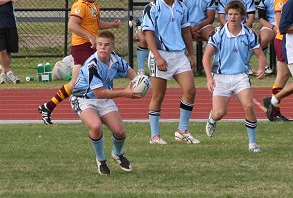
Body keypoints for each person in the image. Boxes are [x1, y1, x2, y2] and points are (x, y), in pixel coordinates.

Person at [38, 0, 121, 125]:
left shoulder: (94, 5)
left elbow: (96, 24)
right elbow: (72, 25)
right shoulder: (80, 5)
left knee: (74, 83)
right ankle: (100, 111)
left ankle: (48, 106)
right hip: (82, 46)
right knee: (99, 74)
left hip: (89, 45)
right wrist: (89, 36)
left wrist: (111, 25)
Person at [70, 31, 140, 176]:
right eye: (100, 44)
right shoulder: (92, 65)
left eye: (106, 45)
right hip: (83, 99)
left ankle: (117, 154)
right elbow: (99, 93)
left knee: (120, 132)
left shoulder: (115, 59)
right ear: (95, 46)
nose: (102, 48)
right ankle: (101, 160)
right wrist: (125, 93)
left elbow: (129, 71)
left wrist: (139, 82)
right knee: (95, 126)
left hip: (103, 98)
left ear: (113, 47)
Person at [202, 0, 266, 152]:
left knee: (249, 106)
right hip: (221, 77)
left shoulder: (249, 33)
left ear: (242, 16)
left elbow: (260, 55)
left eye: (236, 14)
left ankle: (252, 143)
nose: (232, 17)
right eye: (230, 14)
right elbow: (206, 57)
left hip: (241, 76)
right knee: (219, 113)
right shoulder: (218, 34)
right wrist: (209, 78)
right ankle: (212, 118)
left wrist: (261, 68)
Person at [142, 0, 200, 144]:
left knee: (190, 90)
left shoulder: (181, 6)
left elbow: (186, 31)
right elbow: (148, 34)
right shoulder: (152, 7)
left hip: (179, 55)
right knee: (158, 96)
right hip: (160, 54)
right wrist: (157, 57)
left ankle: (182, 130)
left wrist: (191, 54)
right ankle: (155, 136)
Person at [263, 0, 291, 121]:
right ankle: (274, 107)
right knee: (282, 76)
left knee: (283, 76)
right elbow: (281, 25)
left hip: (286, 40)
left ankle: (274, 108)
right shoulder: (282, 1)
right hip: (283, 40)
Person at [0, 0, 20, 84]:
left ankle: (3, 75)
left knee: (8, 51)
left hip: (10, 23)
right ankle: (9, 72)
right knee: (1, 50)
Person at [257, 0, 277, 74]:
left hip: (287, 25)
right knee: (264, 38)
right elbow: (261, 20)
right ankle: (264, 64)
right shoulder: (265, 1)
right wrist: (273, 27)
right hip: (270, 24)